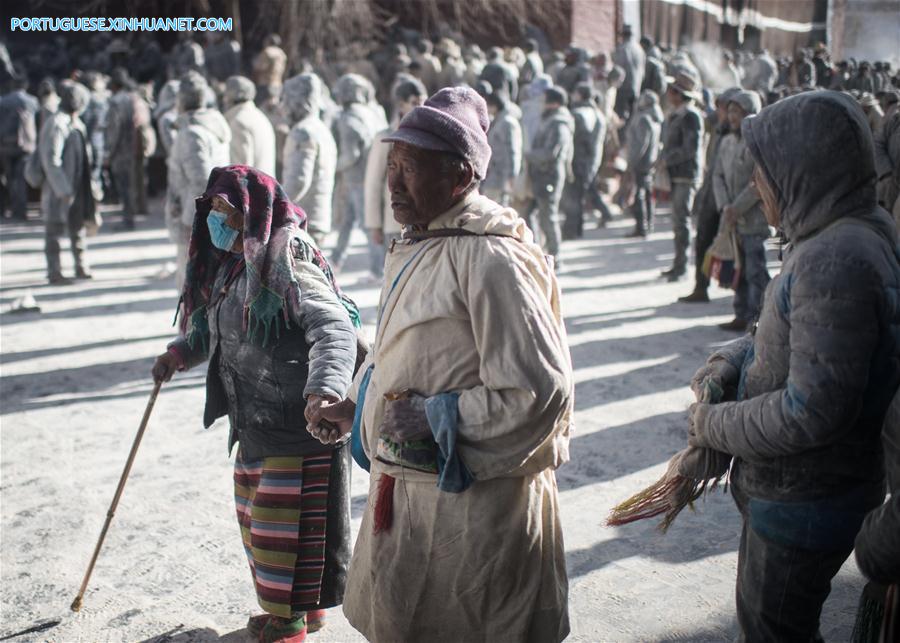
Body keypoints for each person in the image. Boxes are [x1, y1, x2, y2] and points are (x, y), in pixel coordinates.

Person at [305, 86, 573, 643]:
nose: (393, 183)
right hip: (414, 499)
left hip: (474, 516)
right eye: (393, 165)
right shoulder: (423, 241)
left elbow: (538, 392)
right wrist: (359, 403)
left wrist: (437, 416)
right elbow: (403, 350)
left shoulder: (492, 258)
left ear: (460, 177)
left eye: (412, 168)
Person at [686, 91, 900, 642]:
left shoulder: (838, 259)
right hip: (798, 492)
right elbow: (781, 338)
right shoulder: (830, 235)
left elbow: (812, 411)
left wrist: (714, 425)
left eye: (765, 175)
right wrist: (732, 361)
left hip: (805, 498)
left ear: (807, 171)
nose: (758, 187)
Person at [151, 165, 359, 643]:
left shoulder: (288, 259)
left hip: (299, 420)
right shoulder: (232, 262)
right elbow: (212, 325)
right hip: (254, 420)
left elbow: (333, 328)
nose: (214, 220)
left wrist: (325, 389)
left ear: (251, 211)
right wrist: (180, 353)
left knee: (287, 530)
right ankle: (298, 611)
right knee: (261, 526)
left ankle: (288, 623)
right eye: (212, 210)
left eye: (224, 210)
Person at [166, 72, 231, 290]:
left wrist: (188, 221)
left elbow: (201, 182)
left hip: (195, 219)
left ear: (182, 100)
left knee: (192, 287)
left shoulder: (191, 134)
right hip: (210, 216)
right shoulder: (213, 125)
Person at [712, 90, 769, 331]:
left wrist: (737, 207)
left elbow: (759, 182)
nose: (732, 116)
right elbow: (718, 176)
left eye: (738, 111)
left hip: (753, 219)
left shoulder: (758, 144)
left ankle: (759, 319)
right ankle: (741, 312)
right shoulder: (726, 142)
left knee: (756, 271)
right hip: (731, 218)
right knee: (738, 268)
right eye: (731, 111)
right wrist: (725, 205)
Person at [679, 86, 742, 303]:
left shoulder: (741, 134)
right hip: (712, 194)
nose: (722, 113)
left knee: (738, 250)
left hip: (732, 199)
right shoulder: (719, 129)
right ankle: (701, 286)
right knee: (703, 241)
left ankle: (743, 304)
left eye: (725, 108)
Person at [363, 78, 426, 283]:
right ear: (401, 105)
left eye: (423, 102)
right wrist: (374, 224)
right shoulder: (386, 137)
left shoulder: (428, 136)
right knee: (395, 281)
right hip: (394, 221)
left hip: (423, 220)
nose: (420, 107)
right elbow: (373, 183)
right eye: (415, 102)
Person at [38, 80, 98, 284]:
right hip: (60, 188)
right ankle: (54, 271)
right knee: (54, 229)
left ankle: (81, 266)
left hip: (78, 186)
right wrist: (62, 189)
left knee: (77, 226)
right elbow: (50, 160)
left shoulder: (76, 122)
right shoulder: (56, 123)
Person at [330, 73, 380, 271]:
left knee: (368, 224)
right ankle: (336, 258)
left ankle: (378, 269)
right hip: (368, 174)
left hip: (356, 177)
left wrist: (333, 167)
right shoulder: (370, 112)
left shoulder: (347, 117)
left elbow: (351, 154)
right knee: (348, 220)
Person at [281, 73, 337, 249]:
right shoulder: (321, 129)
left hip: (302, 220)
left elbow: (298, 180)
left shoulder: (303, 132)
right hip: (317, 217)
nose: (282, 106)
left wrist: (277, 207)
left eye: (286, 100)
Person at [660, 69, 705, 281]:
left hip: (686, 175)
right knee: (677, 221)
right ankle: (678, 263)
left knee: (682, 222)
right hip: (677, 175)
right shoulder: (678, 114)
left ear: (679, 94)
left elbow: (690, 149)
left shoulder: (691, 116)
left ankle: (682, 265)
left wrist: (667, 159)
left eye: (671, 91)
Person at [526, 86, 574, 268]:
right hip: (541, 175)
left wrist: (529, 155)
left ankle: (555, 256)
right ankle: (537, 252)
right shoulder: (551, 120)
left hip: (550, 176)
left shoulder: (559, 124)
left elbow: (550, 153)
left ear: (554, 103)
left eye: (545, 100)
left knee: (548, 216)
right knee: (531, 214)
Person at [105, 68, 156, 230]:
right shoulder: (134, 99)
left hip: (121, 152)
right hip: (134, 148)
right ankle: (131, 217)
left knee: (124, 188)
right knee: (132, 185)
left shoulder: (115, 103)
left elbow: (114, 131)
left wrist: (109, 153)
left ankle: (128, 220)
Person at [563, 83, 605, 240]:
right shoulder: (596, 113)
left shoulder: (578, 114)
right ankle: (576, 229)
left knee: (574, 197)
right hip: (591, 160)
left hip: (579, 161)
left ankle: (571, 230)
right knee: (580, 196)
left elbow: (579, 140)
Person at [0, 70, 38, 221]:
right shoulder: (32, 101)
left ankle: (6, 208)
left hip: (5, 146)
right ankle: (20, 211)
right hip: (26, 146)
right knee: (21, 178)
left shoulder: (3, 101)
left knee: (9, 178)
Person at [624, 90, 663, 237]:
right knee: (646, 193)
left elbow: (641, 144)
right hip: (649, 162)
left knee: (640, 194)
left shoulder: (644, 119)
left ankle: (642, 226)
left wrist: (631, 163)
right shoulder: (654, 118)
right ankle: (647, 224)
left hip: (642, 163)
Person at [223, 76, 276, 177]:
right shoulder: (260, 116)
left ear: (229, 97)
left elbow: (240, 170)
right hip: (267, 188)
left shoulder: (238, 122)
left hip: (253, 190)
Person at [482, 90, 523, 207]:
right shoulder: (498, 121)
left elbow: (513, 150)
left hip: (502, 176)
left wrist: (511, 176)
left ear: (494, 106)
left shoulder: (507, 123)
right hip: (494, 174)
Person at [613, 24, 646, 121]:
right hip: (636, 86)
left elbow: (619, 69)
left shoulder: (623, 48)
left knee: (621, 117)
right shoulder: (640, 49)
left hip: (623, 87)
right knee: (632, 116)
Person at [252, 34, 288, 104]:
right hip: (278, 84)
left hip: (265, 83)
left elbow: (259, 67)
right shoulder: (282, 54)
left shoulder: (267, 52)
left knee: (261, 106)